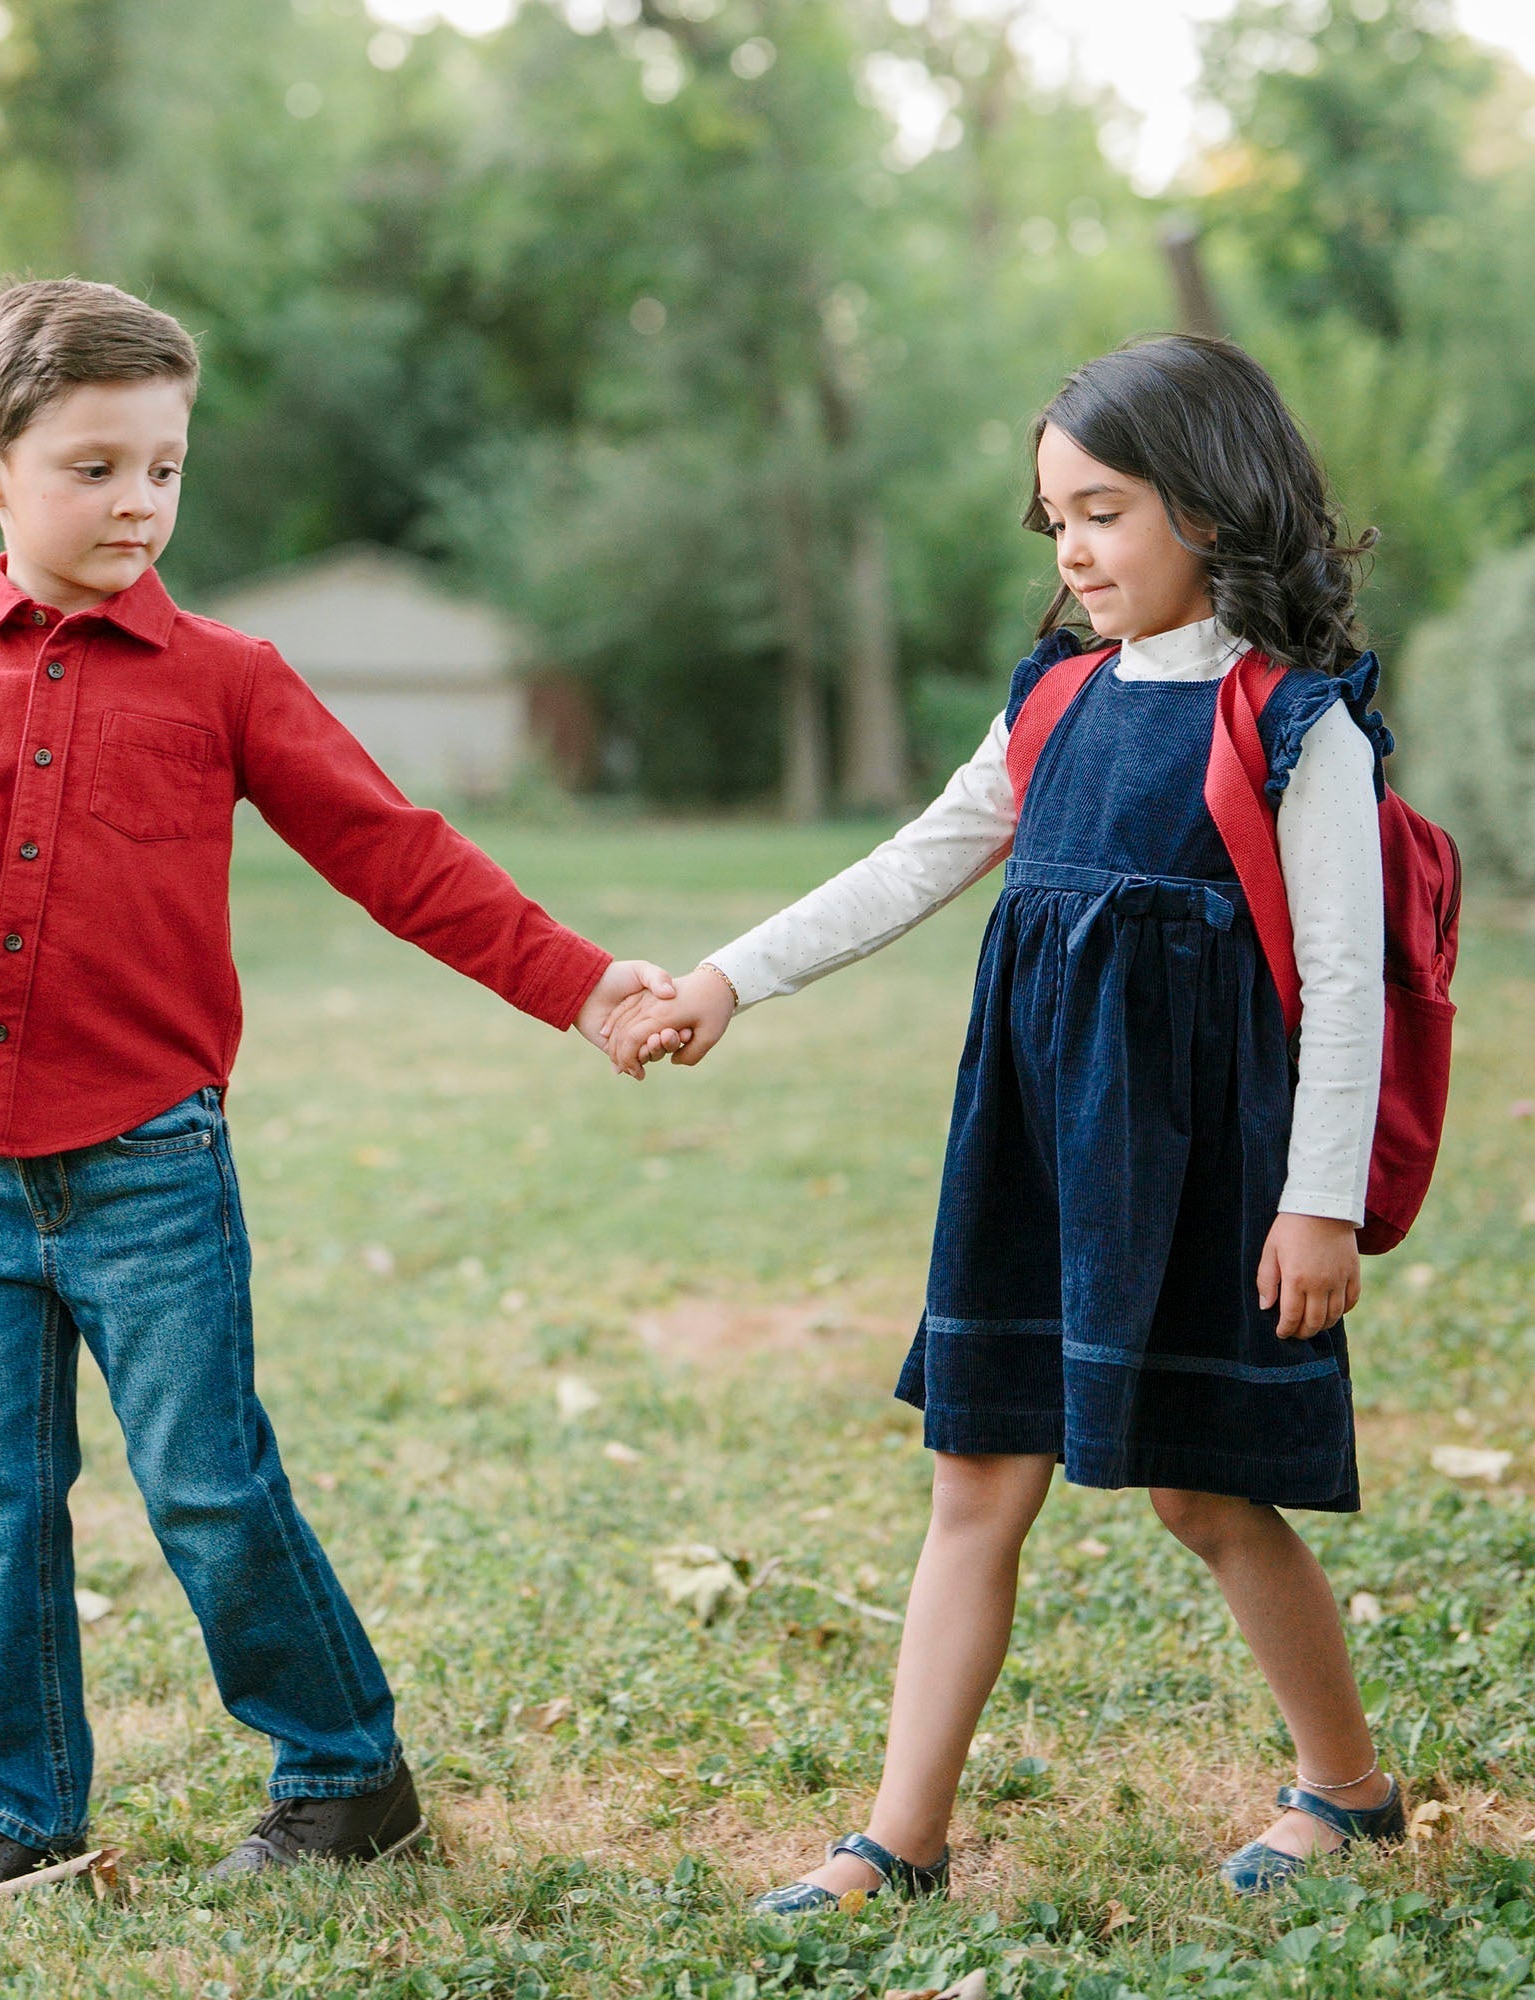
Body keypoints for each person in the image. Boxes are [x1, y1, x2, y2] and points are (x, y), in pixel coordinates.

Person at [0, 277, 673, 1925]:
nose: (138, 505)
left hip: (151, 1166)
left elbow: (399, 854)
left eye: (165, 469)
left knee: (205, 1480)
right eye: (94, 469)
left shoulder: (227, 679)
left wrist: (586, 984)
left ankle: (345, 1776)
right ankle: (18, 1814)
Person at [601, 335, 1404, 1903]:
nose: (1076, 551)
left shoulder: (1298, 727)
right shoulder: (1055, 702)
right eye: (1056, 522)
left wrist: (1320, 1202)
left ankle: (1350, 1789)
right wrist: (725, 980)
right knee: (976, 1476)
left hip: (1206, 1172)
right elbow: (915, 860)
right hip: (1037, 1150)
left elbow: (1347, 980)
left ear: (1217, 507)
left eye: (1103, 511)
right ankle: (898, 1840)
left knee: (1204, 1488)